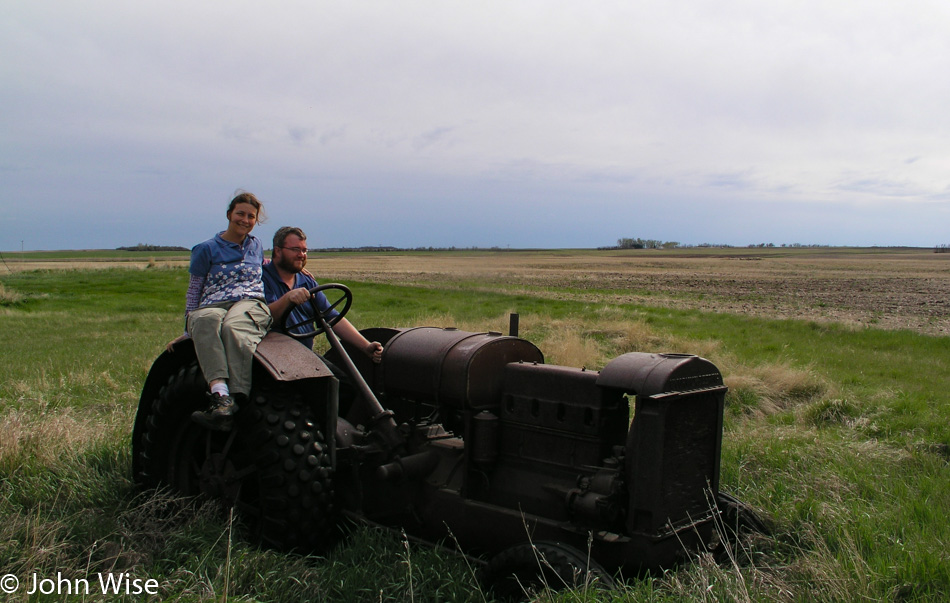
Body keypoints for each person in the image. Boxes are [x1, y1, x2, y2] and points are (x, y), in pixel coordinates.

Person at [166, 191, 272, 431]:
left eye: (251, 216)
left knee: (233, 326)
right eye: (240, 214)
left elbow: (262, 265)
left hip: (249, 301)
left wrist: (298, 270)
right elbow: (194, 290)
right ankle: (220, 396)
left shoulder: (256, 245)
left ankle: (239, 394)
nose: (245, 220)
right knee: (203, 320)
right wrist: (188, 327)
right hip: (213, 302)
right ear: (229, 215)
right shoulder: (206, 249)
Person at [262, 226, 383, 362]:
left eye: (304, 250)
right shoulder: (262, 278)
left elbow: (331, 317)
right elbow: (264, 318)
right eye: (295, 249)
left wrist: (366, 346)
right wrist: (287, 299)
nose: (301, 255)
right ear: (277, 251)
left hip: (305, 355)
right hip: (275, 358)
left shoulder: (307, 281)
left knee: (341, 380)